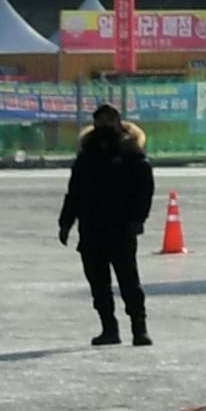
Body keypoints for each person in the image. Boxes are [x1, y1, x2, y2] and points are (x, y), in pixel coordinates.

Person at [56, 100, 156, 347]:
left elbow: (144, 191)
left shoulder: (133, 157)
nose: (105, 124)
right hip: (91, 230)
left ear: (119, 123)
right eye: (100, 119)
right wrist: (65, 223)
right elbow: (75, 192)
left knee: (129, 281)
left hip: (121, 230)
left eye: (110, 119)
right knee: (98, 284)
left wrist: (137, 220)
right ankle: (109, 329)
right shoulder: (87, 157)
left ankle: (139, 329)